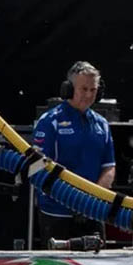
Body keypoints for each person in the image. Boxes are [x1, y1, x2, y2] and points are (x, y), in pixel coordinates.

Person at [33, 61, 115, 248]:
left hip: (92, 212)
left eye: (93, 90)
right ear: (68, 89)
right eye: (83, 89)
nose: (88, 95)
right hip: (57, 214)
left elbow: (109, 167)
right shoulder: (50, 122)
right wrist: (73, 200)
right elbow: (36, 169)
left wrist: (90, 200)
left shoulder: (102, 125)